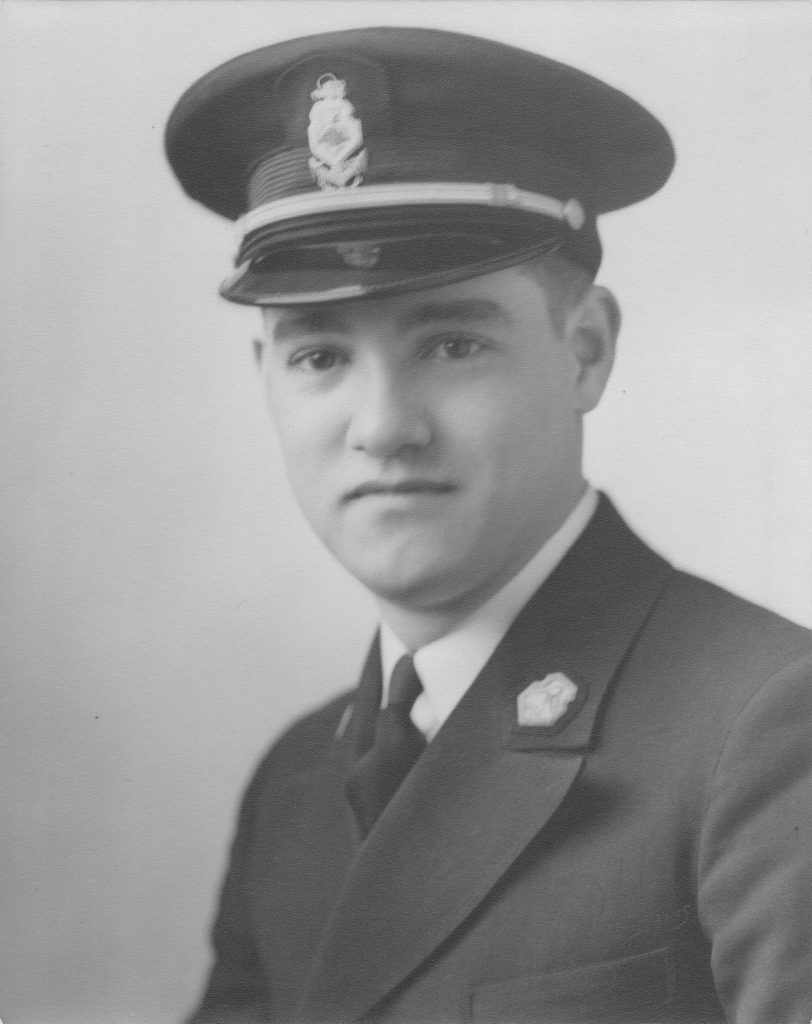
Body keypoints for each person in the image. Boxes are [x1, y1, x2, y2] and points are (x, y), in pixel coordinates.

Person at [166, 27, 811, 1024]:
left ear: (585, 350)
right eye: (318, 357)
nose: (382, 428)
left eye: (452, 342)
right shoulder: (297, 782)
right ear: (264, 380)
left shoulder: (762, 730)